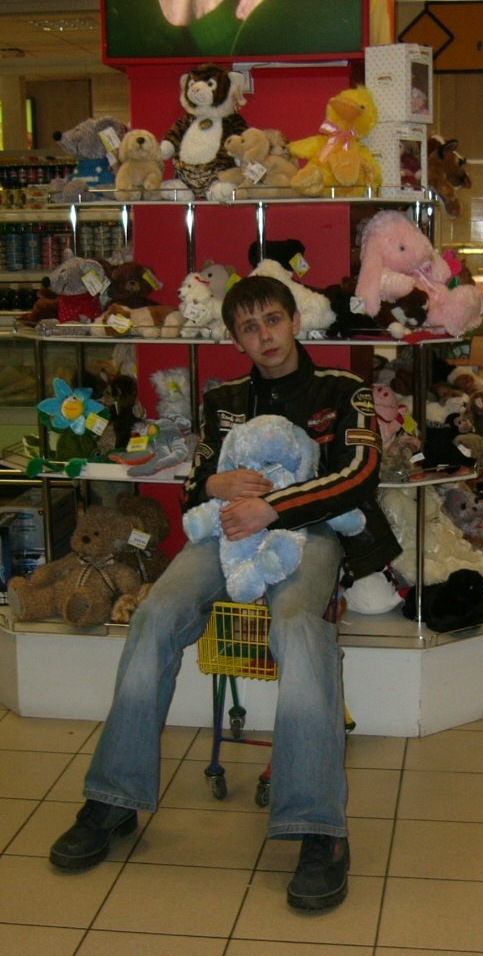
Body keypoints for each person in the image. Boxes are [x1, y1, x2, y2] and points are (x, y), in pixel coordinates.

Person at [49, 275, 400, 912]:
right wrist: (217, 486)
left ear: (295, 320)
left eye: (273, 320)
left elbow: (361, 476)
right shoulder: (224, 400)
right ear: (236, 339)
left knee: (298, 627)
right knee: (154, 615)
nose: (265, 336)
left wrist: (274, 506)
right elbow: (195, 485)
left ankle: (319, 828)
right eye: (249, 327)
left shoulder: (343, 389)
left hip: (312, 532)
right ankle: (113, 799)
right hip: (227, 531)